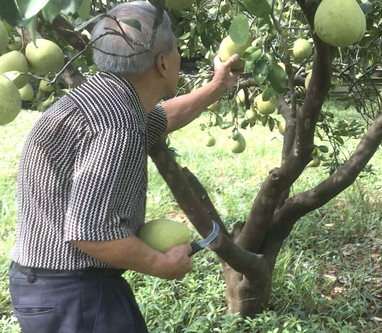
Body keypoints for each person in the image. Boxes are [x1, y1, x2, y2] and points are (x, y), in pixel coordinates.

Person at [8, 2, 240, 332]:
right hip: (75, 292)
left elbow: (166, 117)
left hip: (52, 285)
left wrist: (217, 85)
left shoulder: (105, 96)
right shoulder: (117, 125)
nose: (177, 56)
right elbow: (91, 233)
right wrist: (162, 264)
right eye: (175, 49)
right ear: (162, 63)